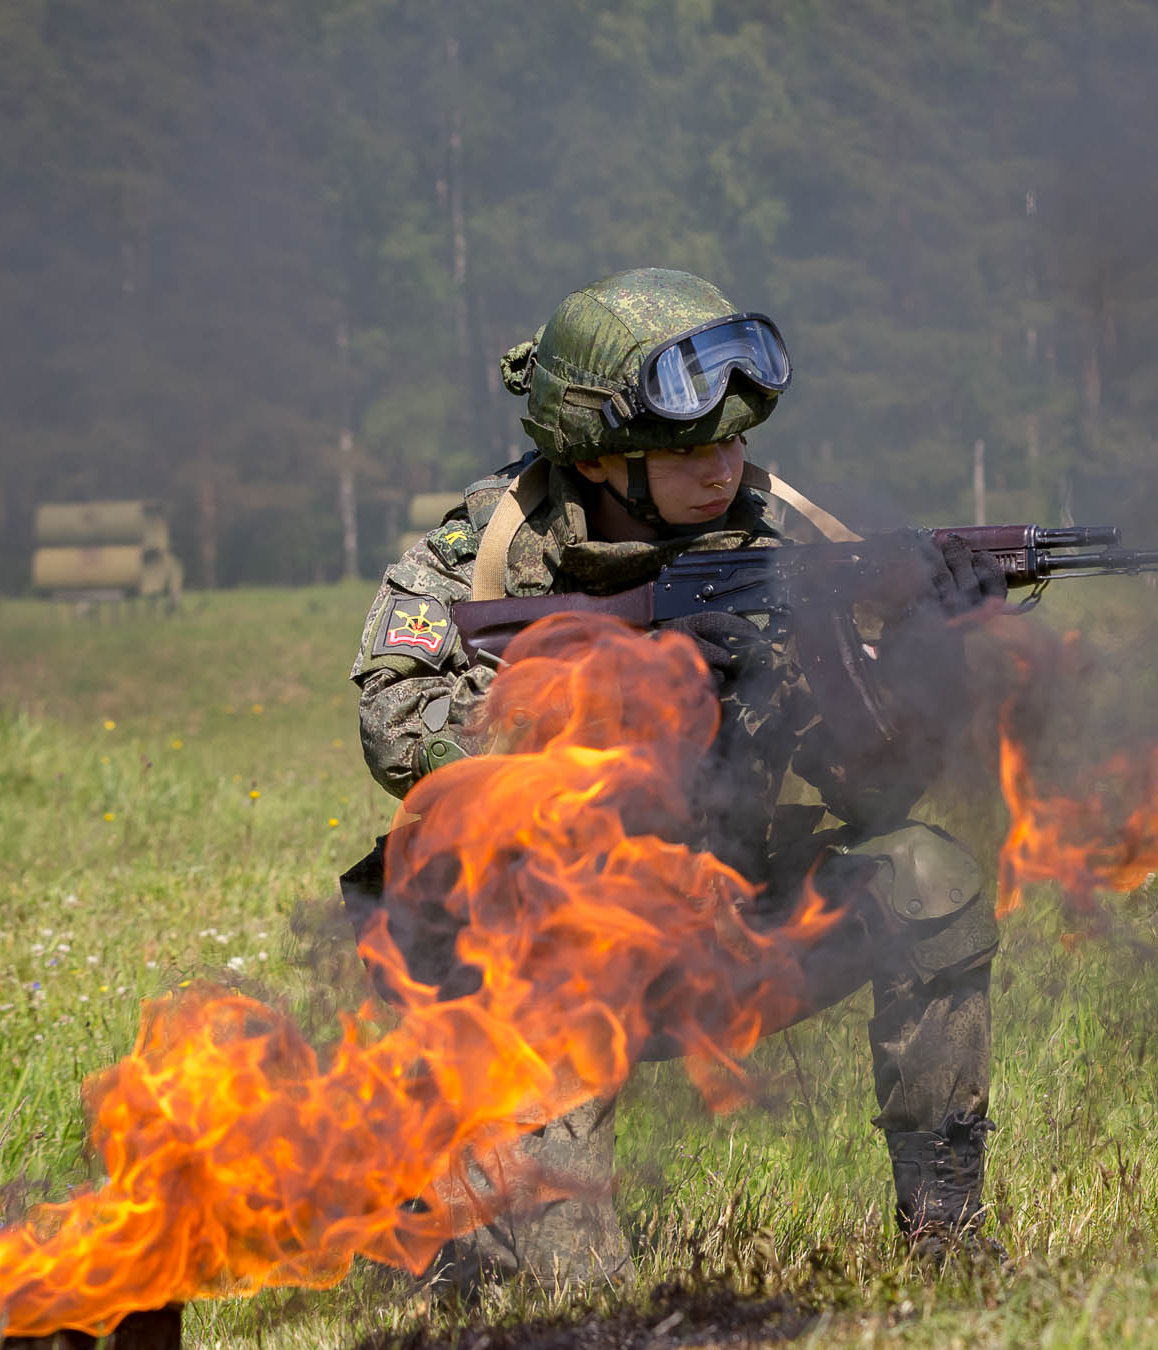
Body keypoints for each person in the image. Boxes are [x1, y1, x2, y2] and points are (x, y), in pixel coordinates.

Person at [341, 267, 1006, 1291]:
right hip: (535, 943)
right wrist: (626, 697)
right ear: (601, 454)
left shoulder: (784, 538)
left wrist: (928, 649)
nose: (723, 467)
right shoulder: (484, 555)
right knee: (570, 1300)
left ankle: (946, 1234)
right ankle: (463, 1233)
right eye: (690, 449)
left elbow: (871, 793)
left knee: (927, 876)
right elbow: (396, 731)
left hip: (714, 915)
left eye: (734, 442)